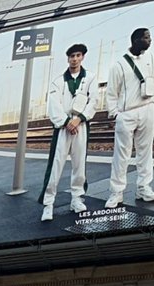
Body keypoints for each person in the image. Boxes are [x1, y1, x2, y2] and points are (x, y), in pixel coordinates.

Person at [40, 44, 99, 221]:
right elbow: (54, 105)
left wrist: (79, 119)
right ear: (68, 58)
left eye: (78, 55)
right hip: (62, 127)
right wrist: (67, 122)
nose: (74, 59)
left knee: (79, 164)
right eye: (72, 56)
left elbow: (93, 101)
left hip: (81, 126)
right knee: (55, 165)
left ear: (82, 57)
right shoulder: (58, 81)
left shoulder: (90, 78)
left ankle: (77, 199)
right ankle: (48, 204)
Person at [105, 28, 154, 208]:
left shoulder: (151, 58)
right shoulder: (119, 65)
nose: (150, 40)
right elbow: (112, 92)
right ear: (136, 40)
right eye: (146, 37)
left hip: (147, 109)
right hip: (126, 113)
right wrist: (115, 114)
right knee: (121, 154)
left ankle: (144, 187)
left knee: (145, 151)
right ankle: (116, 192)